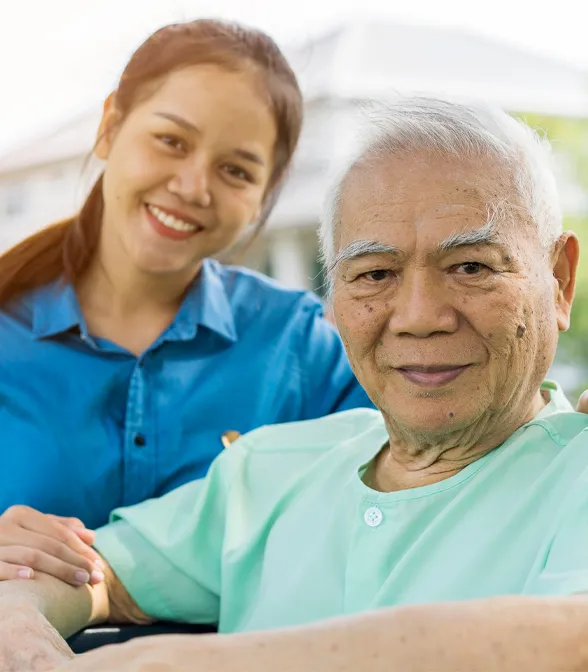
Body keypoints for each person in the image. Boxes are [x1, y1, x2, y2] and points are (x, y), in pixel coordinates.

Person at [4, 96, 588, 672]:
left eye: (471, 267)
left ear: (558, 282)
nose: (418, 315)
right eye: (375, 273)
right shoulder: (268, 468)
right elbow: (87, 572)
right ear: (333, 300)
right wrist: (22, 625)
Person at [0, 19, 373, 585]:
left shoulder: (302, 348)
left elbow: (409, 494)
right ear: (109, 127)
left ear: (263, 196)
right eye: (171, 141)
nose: (194, 187)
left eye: (235, 170)